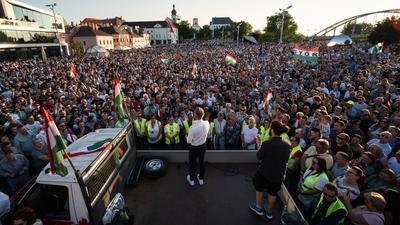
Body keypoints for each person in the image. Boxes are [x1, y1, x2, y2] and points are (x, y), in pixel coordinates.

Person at [249, 121, 291, 219]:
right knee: (273, 193)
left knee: (259, 189)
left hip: (264, 173)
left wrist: (259, 144)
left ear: (272, 131)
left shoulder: (267, 143)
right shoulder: (287, 144)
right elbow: (285, 160)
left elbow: (259, 156)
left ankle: (258, 208)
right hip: (278, 175)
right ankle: (269, 212)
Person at [186, 107, 209, 186]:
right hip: (203, 146)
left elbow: (188, 141)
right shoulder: (207, 123)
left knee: (192, 163)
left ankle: (192, 180)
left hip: (194, 148)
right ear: (203, 115)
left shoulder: (192, 128)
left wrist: (190, 138)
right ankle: (201, 178)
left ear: (195, 115)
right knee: (201, 162)